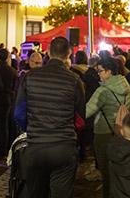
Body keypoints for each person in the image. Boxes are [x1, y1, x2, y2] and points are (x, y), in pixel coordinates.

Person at [14, 36, 85, 198]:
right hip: (64, 146)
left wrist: (30, 128)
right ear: (69, 54)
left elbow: (18, 113)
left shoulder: (30, 77)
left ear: (47, 52)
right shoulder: (74, 80)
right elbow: (80, 119)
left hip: (37, 145)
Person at [85, 57, 130, 197]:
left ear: (109, 71)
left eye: (100, 71)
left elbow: (86, 111)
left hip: (104, 134)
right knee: (119, 172)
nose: (98, 74)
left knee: (106, 174)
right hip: (123, 133)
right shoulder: (126, 87)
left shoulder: (103, 91)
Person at [0, 47, 18, 157]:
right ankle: (4, 148)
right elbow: (15, 86)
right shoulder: (12, 71)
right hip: (8, 98)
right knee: (5, 124)